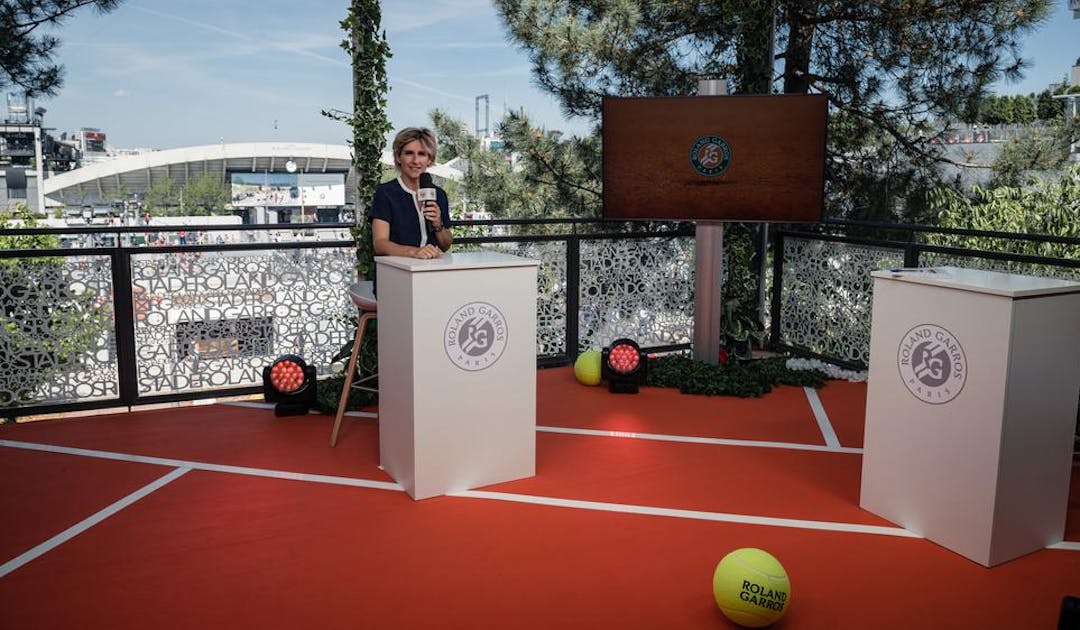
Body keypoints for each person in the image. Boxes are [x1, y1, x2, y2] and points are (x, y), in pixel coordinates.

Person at [370, 127, 453, 262]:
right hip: (397, 272)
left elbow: (445, 245)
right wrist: (414, 252)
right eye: (409, 153)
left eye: (422, 154)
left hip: (431, 272)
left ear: (429, 159)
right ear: (398, 157)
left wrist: (438, 224)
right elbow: (380, 244)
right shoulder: (385, 193)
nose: (415, 160)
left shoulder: (439, 194)